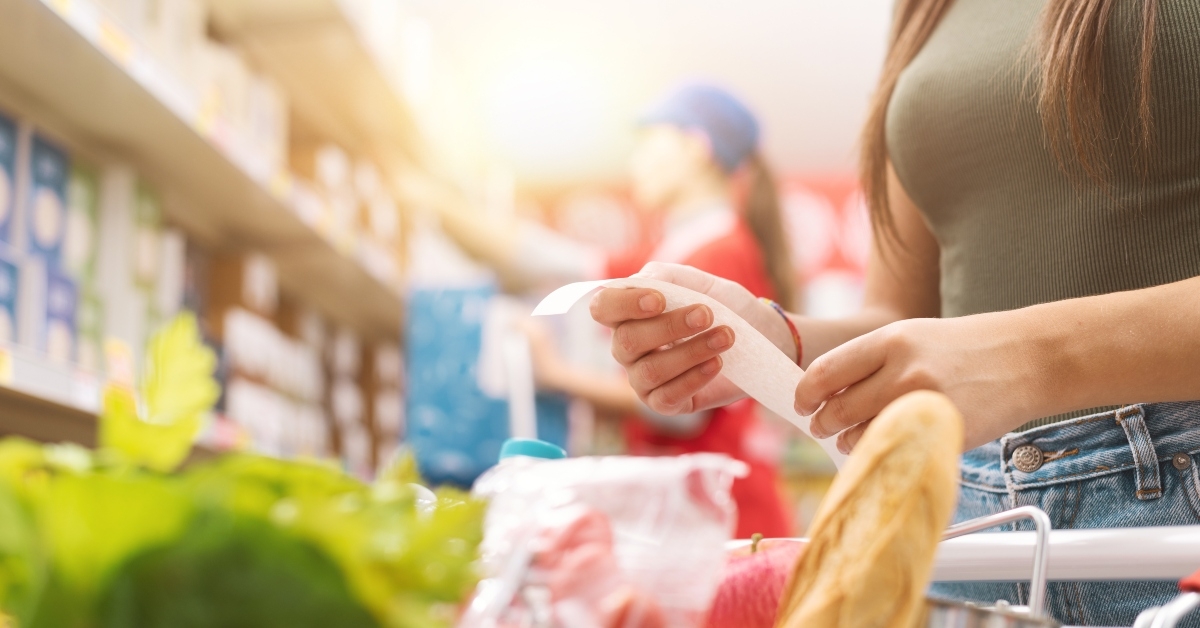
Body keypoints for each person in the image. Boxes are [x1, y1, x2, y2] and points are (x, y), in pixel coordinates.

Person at [586, 0, 1200, 625]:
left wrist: (1026, 359)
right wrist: (779, 342)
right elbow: (898, 314)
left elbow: (974, 352)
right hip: (962, 517)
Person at [418, 84, 798, 539]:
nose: (634, 164)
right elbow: (541, 257)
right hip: (706, 510)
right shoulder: (678, 249)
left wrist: (555, 373)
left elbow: (677, 408)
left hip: (725, 519)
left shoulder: (718, 254)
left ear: (696, 148)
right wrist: (430, 200)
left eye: (648, 144)